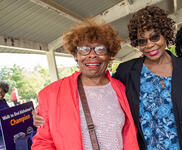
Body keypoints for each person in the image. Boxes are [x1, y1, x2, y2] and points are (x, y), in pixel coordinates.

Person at [31, 19, 139, 150]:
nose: (92, 55)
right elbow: (43, 142)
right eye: (84, 49)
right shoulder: (52, 94)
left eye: (100, 49)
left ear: (109, 54)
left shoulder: (121, 89)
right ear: (76, 55)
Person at [113, 6, 182, 150]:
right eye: (142, 41)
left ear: (165, 35)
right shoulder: (126, 71)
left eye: (155, 37)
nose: (149, 45)